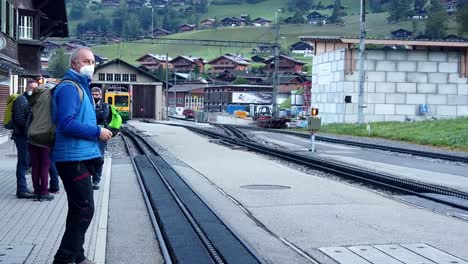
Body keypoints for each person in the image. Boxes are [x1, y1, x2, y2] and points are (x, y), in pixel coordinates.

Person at [51, 47, 112, 264]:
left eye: (93, 61)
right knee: (84, 209)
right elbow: (66, 124)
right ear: (74, 63)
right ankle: (64, 258)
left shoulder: (81, 86)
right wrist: (97, 131)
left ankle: (77, 255)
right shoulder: (69, 88)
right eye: (87, 60)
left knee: (80, 209)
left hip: (80, 157)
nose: (91, 65)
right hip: (72, 158)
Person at [12, 80, 38, 199]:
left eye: (35, 88)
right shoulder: (21, 100)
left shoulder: (33, 100)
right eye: (31, 87)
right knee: (22, 163)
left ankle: (24, 188)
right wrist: (31, 129)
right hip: (21, 136)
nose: (33, 90)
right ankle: (21, 190)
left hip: (27, 136)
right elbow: (19, 118)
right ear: (26, 87)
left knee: (27, 162)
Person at [90, 87, 109, 190]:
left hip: (101, 136)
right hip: (89, 134)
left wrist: (94, 114)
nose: (94, 96)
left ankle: (96, 179)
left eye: (96, 95)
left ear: (100, 96)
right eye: (93, 95)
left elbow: (104, 115)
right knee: (89, 157)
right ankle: (90, 177)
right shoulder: (88, 105)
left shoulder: (105, 105)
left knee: (99, 158)